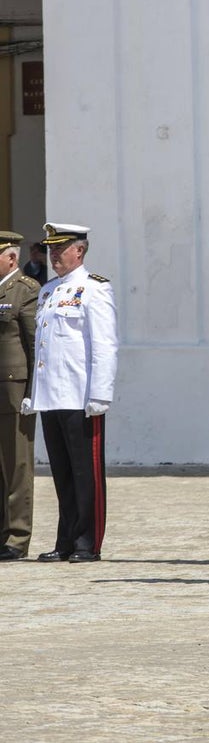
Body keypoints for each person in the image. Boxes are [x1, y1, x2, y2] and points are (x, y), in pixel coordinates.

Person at [27, 223, 118, 563]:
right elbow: (44, 349)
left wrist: (100, 395)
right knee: (62, 473)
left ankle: (87, 542)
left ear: (78, 251)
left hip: (81, 397)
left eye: (60, 249)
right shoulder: (49, 290)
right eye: (50, 249)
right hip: (52, 397)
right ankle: (65, 539)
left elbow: (104, 345)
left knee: (86, 472)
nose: (53, 255)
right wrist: (34, 394)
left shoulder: (94, 289)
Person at [0, 233, 39, 561]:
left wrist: (32, 392)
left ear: (11, 259)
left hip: (14, 389)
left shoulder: (25, 290)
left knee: (17, 464)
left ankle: (16, 535)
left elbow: (33, 344)